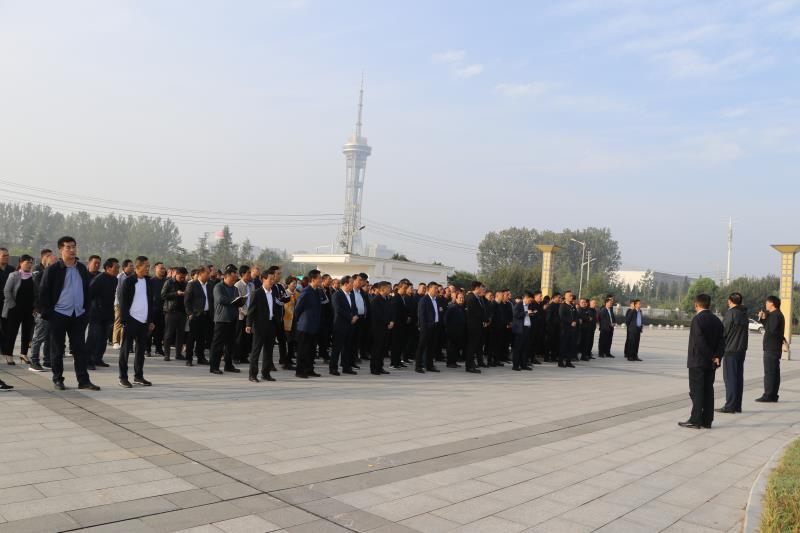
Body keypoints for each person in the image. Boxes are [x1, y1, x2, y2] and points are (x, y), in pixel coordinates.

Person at [38, 236, 100, 391]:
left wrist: (85, 312)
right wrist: (49, 314)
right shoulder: (53, 269)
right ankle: (58, 379)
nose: (72, 250)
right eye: (68, 247)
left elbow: (88, 292)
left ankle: (83, 381)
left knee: (80, 349)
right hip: (58, 315)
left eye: (74, 246)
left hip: (78, 315)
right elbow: (43, 293)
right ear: (61, 249)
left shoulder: (82, 269)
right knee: (57, 349)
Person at [679, 293, 724, 429]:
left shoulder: (697, 319)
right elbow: (722, 341)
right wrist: (717, 356)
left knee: (697, 391)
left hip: (698, 361)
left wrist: (711, 356)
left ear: (696, 305)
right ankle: (707, 420)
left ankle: (695, 420)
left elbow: (699, 341)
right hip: (711, 363)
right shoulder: (717, 320)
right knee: (708, 390)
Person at [118, 256, 156, 388]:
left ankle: (138, 376)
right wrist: (125, 320)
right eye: (146, 266)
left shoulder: (148, 281)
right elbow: (123, 302)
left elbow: (150, 302)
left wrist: (150, 320)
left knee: (141, 351)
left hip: (144, 321)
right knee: (125, 350)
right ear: (138, 266)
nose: (148, 268)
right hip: (131, 320)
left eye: (148, 266)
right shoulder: (129, 281)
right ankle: (123, 377)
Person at [210, 265, 245, 375]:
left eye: (235, 278)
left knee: (231, 344)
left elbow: (236, 301)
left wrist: (241, 301)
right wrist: (233, 300)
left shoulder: (234, 288)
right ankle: (214, 366)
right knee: (218, 344)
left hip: (232, 319)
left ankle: (228, 365)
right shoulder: (218, 287)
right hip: (221, 319)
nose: (234, 280)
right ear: (226, 276)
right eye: (233, 278)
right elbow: (221, 299)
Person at [2, 254, 37, 365]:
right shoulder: (14, 275)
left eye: (31, 262)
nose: (29, 265)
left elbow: (36, 293)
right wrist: (12, 305)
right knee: (12, 332)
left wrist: (35, 306)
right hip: (15, 309)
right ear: (21, 263)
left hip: (29, 310)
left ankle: (23, 354)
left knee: (27, 333)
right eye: (27, 262)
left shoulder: (34, 276)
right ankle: (9, 355)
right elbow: (7, 291)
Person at [718, 292, 748, 414]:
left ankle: (730, 406)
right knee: (738, 378)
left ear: (730, 301)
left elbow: (723, 332)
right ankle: (737, 405)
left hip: (731, 350)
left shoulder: (731, 313)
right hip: (741, 350)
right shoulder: (744, 313)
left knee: (730, 378)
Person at [245, 270, 278, 382]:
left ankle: (266, 373)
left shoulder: (273, 292)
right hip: (259, 326)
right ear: (263, 279)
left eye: (273, 279)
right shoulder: (257, 293)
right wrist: (248, 324)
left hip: (271, 324)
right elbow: (251, 310)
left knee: (269, 350)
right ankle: (252, 375)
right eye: (270, 279)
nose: (272, 281)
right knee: (256, 351)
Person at [86, 258, 119, 369]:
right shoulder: (99, 279)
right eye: (116, 268)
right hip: (96, 314)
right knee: (94, 337)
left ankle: (98, 359)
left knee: (103, 338)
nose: (117, 270)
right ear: (108, 268)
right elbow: (89, 295)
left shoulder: (115, 280)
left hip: (108, 313)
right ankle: (87, 361)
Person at [292, 269, 323, 378]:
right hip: (305, 326)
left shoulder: (317, 291)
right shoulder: (306, 292)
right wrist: (299, 323)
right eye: (319, 278)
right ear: (313, 279)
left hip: (314, 326)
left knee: (312, 350)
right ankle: (300, 371)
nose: (321, 280)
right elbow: (297, 309)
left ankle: (309, 369)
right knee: (303, 350)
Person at [756, 296, 786, 403]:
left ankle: (768, 395)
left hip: (771, 347)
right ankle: (773, 395)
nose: (766, 304)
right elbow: (771, 328)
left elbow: (771, 330)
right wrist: (763, 319)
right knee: (774, 372)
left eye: (767, 302)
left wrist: (765, 318)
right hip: (774, 347)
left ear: (772, 303)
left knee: (769, 372)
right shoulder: (777, 314)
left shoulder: (775, 315)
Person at [30, 250, 56, 371]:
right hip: (42, 310)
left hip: (53, 310)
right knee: (39, 337)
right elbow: (40, 292)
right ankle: (34, 361)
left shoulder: (55, 275)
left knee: (50, 337)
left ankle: (47, 360)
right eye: (53, 264)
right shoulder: (39, 274)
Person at [185, 266, 213, 366]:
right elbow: (187, 301)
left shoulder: (210, 285)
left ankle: (201, 357)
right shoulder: (192, 284)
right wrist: (189, 313)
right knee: (191, 338)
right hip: (195, 315)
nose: (209, 275)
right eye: (207, 273)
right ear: (201, 273)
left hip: (207, 315)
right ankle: (189, 358)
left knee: (202, 338)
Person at [330, 274, 357, 375]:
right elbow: (338, 309)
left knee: (347, 347)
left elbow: (354, 307)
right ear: (346, 284)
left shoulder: (351, 294)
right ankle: (333, 368)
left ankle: (346, 367)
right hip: (340, 325)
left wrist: (355, 315)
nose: (353, 285)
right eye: (351, 283)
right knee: (337, 348)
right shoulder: (337, 295)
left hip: (350, 325)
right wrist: (351, 317)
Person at [162, 267, 188, 362]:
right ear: (176, 274)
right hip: (171, 311)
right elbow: (163, 295)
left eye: (184, 277)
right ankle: (167, 355)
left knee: (181, 334)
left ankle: (178, 354)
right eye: (181, 277)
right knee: (169, 334)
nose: (182, 279)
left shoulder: (186, 283)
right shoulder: (169, 282)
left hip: (182, 312)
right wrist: (176, 293)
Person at [415, 282, 442, 373]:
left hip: (435, 326)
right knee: (422, 347)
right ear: (429, 289)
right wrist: (423, 327)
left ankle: (429, 365)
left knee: (431, 347)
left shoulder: (436, 300)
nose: (437, 290)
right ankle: (418, 366)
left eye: (437, 288)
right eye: (435, 288)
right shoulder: (424, 300)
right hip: (426, 327)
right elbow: (421, 315)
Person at [369, 281, 394, 375]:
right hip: (378, 328)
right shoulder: (376, 300)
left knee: (383, 349)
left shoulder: (387, 299)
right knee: (377, 349)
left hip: (386, 327)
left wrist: (392, 321)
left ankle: (380, 367)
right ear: (382, 289)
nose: (390, 289)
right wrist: (387, 322)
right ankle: (374, 368)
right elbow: (378, 315)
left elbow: (390, 312)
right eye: (388, 288)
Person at [464, 281, 486, 373]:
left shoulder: (477, 297)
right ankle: (469, 366)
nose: (482, 289)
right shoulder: (471, 298)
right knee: (471, 347)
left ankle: (471, 364)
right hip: (472, 327)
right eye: (481, 287)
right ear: (477, 288)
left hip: (477, 326)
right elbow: (476, 313)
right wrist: (486, 319)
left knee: (473, 347)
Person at [147, 262, 167, 357]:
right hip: (152, 309)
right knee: (150, 330)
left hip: (163, 309)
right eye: (161, 268)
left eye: (163, 268)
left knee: (160, 330)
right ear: (155, 269)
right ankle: (147, 349)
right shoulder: (151, 281)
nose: (163, 270)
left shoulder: (167, 281)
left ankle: (159, 349)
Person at [234, 265, 253, 365]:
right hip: (241, 315)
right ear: (242, 274)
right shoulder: (237, 285)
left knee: (247, 337)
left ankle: (244, 356)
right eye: (248, 273)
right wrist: (246, 313)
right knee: (239, 337)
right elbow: (238, 303)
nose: (250, 275)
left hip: (250, 315)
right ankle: (236, 356)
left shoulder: (252, 285)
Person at [112, 259, 133, 348]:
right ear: (124, 267)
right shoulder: (120, 277)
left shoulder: (132, 277)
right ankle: (115, 341)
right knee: (118, 321)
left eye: (133, 266)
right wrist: (121, 304)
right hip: (119, 303)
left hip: (128, 304)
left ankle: (122, 341)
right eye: (130, 266)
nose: (132, 268)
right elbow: (119, 292)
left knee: (125, 323)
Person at [512, 291, 534, 371]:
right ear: (525, 298)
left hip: (527, 328)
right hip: (520, 329)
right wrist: (526, 312)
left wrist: (531, 313)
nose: (530, 302)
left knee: (525, 348)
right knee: (518, 348)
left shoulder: (529, 305)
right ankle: (515, 365)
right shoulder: (518, 305)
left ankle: (523, 364)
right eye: (530, 300)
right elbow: (516, 315)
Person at [0, 248, 15, 360]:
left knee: (6, 327)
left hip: (7, 302)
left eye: (7, 255)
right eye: (4, 255)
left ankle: (5, 349)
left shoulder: (12, 270)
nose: (6, 257)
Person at [445, 291, 466, 368]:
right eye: (460, 298)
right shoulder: (452, 308)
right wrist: (449, 329)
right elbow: (446, 319)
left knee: (456, 348)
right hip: (452, 331)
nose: (462, 299)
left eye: (463, 298)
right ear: (456, 299)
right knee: (451, 347)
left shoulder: (462, 308)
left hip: (459, 332)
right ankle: (450, 362)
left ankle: (454, 362)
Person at [558, 291, 579, 368]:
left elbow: (576, 315)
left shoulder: (572, 306)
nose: (571, 297)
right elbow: (562, 316)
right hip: (565, 329)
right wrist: (570, 322)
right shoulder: (562, 306)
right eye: (570, 295)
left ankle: (568, 361)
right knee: (563, 345)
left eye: (571, 295)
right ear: (565, 297)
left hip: (572, 329)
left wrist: (575, 321)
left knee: (571, 345)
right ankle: (560, 362)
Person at [529, 291, 545, 364]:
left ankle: (533, 358)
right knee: (531, 343)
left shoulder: (541, 304)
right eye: (540, 296)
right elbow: (531, 315)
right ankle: (528, 358)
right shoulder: (532, 304)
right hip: (533, 327)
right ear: (535, 296)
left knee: (536, 343)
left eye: (541, 296)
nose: (541, 297)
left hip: (539, 327)